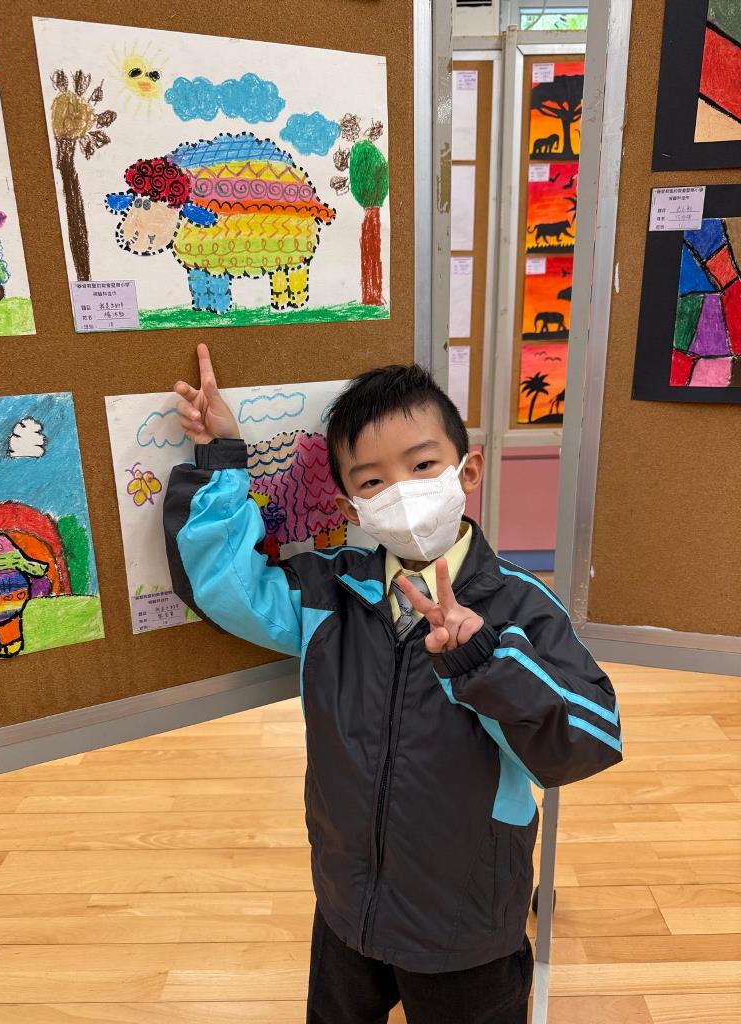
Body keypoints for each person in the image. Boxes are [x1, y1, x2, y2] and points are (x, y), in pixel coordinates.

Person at [164, 345, 623, 1024]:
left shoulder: (520, 606)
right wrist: (223, 458)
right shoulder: (331, 593)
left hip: (466, 924)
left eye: (422, 465)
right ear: (351, 505)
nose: (401, 491)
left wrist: (483, 662)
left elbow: (587, 740)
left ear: (467, 470)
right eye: (372, 480)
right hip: (347, 904)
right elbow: (229, 588)